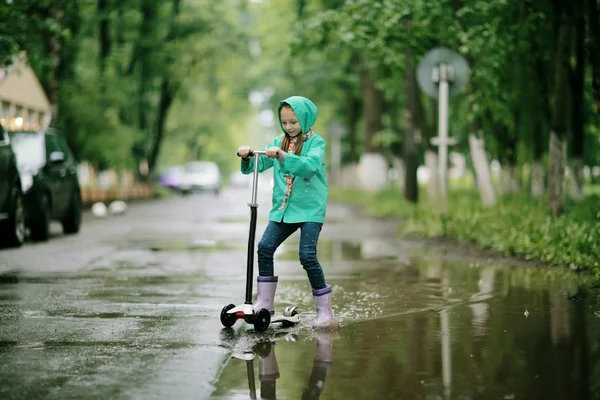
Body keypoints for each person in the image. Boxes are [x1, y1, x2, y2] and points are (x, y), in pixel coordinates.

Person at [236, 95, 338, 329]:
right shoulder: (278, 141)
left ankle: (324, 310)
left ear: (304, 119)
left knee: (307, 255)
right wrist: (247, 156)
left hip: (310, 209)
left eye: (293, 122)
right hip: (284, 209)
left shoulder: (316, 143)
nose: (289, 127)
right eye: (285, 122)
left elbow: (309, 167)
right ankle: (265, 303)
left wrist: (283, 156)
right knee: (265, 247)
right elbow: (258, 164)